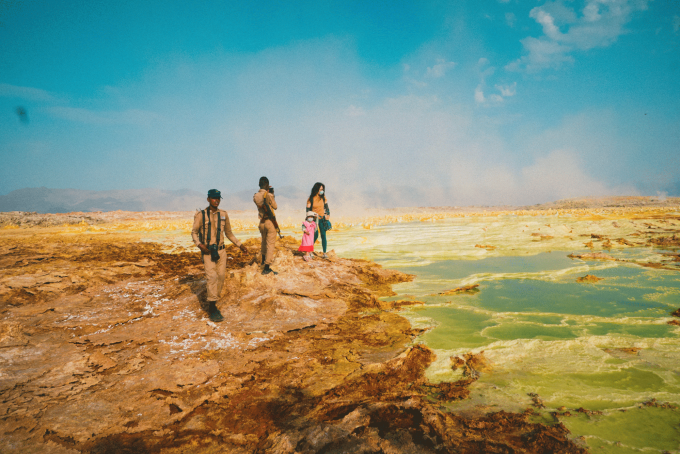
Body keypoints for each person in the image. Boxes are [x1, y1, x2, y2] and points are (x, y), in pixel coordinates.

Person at [191, 189, 248, 322]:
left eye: (218, 198)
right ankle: (212, 308)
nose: (216, 200)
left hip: (221, 252)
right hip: (208, 252)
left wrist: (240, 245)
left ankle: (213, 301)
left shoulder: (224, 214)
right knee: (212, 277)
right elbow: (194, 232)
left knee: (221, 277)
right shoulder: (201, 215)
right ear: (208, 199)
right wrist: (200, 245)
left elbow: (229, 233)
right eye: (214, 198)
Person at [253, 176, 278, 275]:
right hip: (269, 222)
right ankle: (267, 267)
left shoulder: (255, 196)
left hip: (261, 222)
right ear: (267, 184)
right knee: (270, 244)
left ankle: (263, 262)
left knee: (263, 241)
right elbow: (275, 207)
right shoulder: (268, 195)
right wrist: (272, 194)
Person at [306, 182, 331, 258]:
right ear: (316, 189)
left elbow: (327, 208)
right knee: (315, 235)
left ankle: (324, 253)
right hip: (314, 220)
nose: (322, 191)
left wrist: (328, 214)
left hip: (322, 219)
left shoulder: (323, 198)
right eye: (320, 189)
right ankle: (309, 251)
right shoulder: (310, 199)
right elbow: (307, 211)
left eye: (322, 189)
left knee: (323, 235)